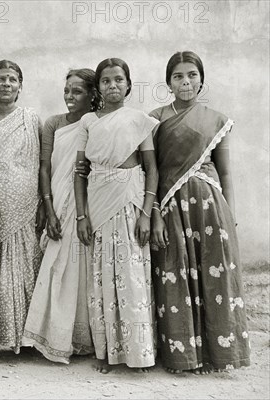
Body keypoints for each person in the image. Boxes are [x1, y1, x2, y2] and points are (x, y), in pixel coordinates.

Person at [149, 51, 250, 374]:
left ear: (201, 80)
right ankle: (181, 355)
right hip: (170, 208)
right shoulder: (155, 119)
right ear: (168, 82)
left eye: (192, 75)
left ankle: (217, 355)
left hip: (208, 209)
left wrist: (230, 217)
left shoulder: (215, 119)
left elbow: (226, 173)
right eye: (178, 76)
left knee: (213, 277)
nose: (186, 82)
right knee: (174, 275)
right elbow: (148, 172)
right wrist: (154, 212)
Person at [74, 58, 158, 374]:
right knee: (102, 278)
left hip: (131, 201)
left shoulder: (139, 120)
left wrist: (147, 213)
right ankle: (106, 351)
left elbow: (151, 168)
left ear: (128, 85)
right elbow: (80, 172)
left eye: (118, 80)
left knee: (132, 277)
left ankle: (138, 353)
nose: (113, 85)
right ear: (99, 87)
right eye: (106, 80)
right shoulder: (89, 122)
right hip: (98, 203)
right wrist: (82, 216)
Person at [23, 69, 98, 362]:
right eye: (66, 90)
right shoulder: (54, 124)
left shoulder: (97, 122)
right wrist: (49, 207)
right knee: (58, 266)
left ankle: (88, 338)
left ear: (93, 94)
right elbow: (45, 168)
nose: (69, 96)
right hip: (58, 202)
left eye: (77, 91)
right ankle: (55, 336)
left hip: (90, 203)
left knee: (87, 269)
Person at [0, 60, 44, 353]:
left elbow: (42, 163)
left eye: (12, 79)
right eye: (0, 78)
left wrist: (44, 200)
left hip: (28, 202)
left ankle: (27, 336)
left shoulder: (31, 119)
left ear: (20, 85)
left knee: (27, 263)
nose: (6, 84)